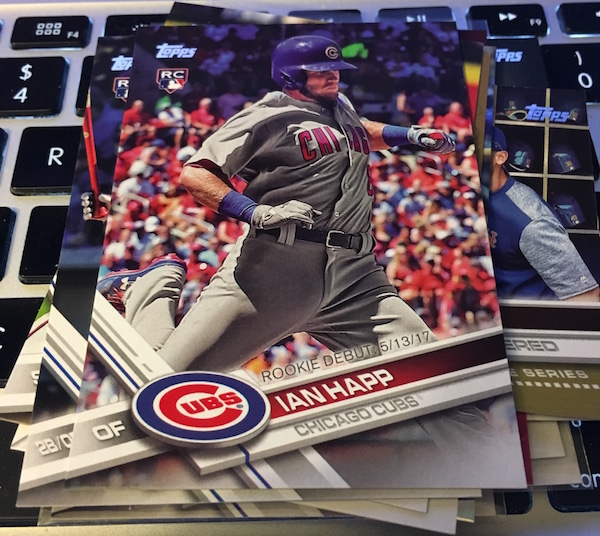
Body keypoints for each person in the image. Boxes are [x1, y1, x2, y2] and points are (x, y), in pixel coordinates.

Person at [97, 35, 455, 374]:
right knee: (167, 385)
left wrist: (409, 134)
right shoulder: (265, 116)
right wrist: (253, 212)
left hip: (355, 275)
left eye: (335, 70)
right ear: (291, 76)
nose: (333, 76)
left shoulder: (339, 106)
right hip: (272, 273)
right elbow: (196, 173)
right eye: (320, 71)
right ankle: (151, 288)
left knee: (431, 374)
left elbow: (357, 131)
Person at [486, 127, 599, 301]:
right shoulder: (472, 193)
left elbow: (586, 297)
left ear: (500, 157)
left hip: (523, 313)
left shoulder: (531, 221)